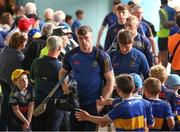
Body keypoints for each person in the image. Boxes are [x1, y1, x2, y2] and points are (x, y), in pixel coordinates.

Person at [58, 25, 114, 131]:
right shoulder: (71, 55)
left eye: (86, 38)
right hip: (76, 103)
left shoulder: (102, 56)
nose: (84, 41)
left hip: (93, 103)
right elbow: (62, 73)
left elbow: (110, 80)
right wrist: (64, 85)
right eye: (80, 38)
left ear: (91, 37)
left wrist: (102, 103)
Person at [75, 74, 154, 131]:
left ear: (118, 90)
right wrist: (104, 102)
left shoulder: (121, 107)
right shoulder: (141, 102)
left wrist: (87, 116)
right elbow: (112, 101)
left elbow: (102, 121)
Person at [30, 36, 64, 131]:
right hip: (55, 105)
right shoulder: (61, 67)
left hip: (38, 103)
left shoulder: (36, 62)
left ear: (47, 46)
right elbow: (66, 88)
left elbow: (32, 80)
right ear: (60, 48)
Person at [0, 32, 27, 130]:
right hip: (11, 85)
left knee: (4, 107)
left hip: (3, 81)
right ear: (20, 43)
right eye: (24, 42)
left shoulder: (4, 50)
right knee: (11, 109)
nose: (25, 44)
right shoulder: (19, 56)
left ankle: (3, 127)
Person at [157, 0, 176, 67]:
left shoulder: (161, 10)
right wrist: (172, 23)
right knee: (170, 54)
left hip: (163, 35)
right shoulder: (173, 10)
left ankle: (163, 71)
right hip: (172, 34)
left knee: (163, 55)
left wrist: (168, 23)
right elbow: (175, 22)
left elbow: (164, 24)